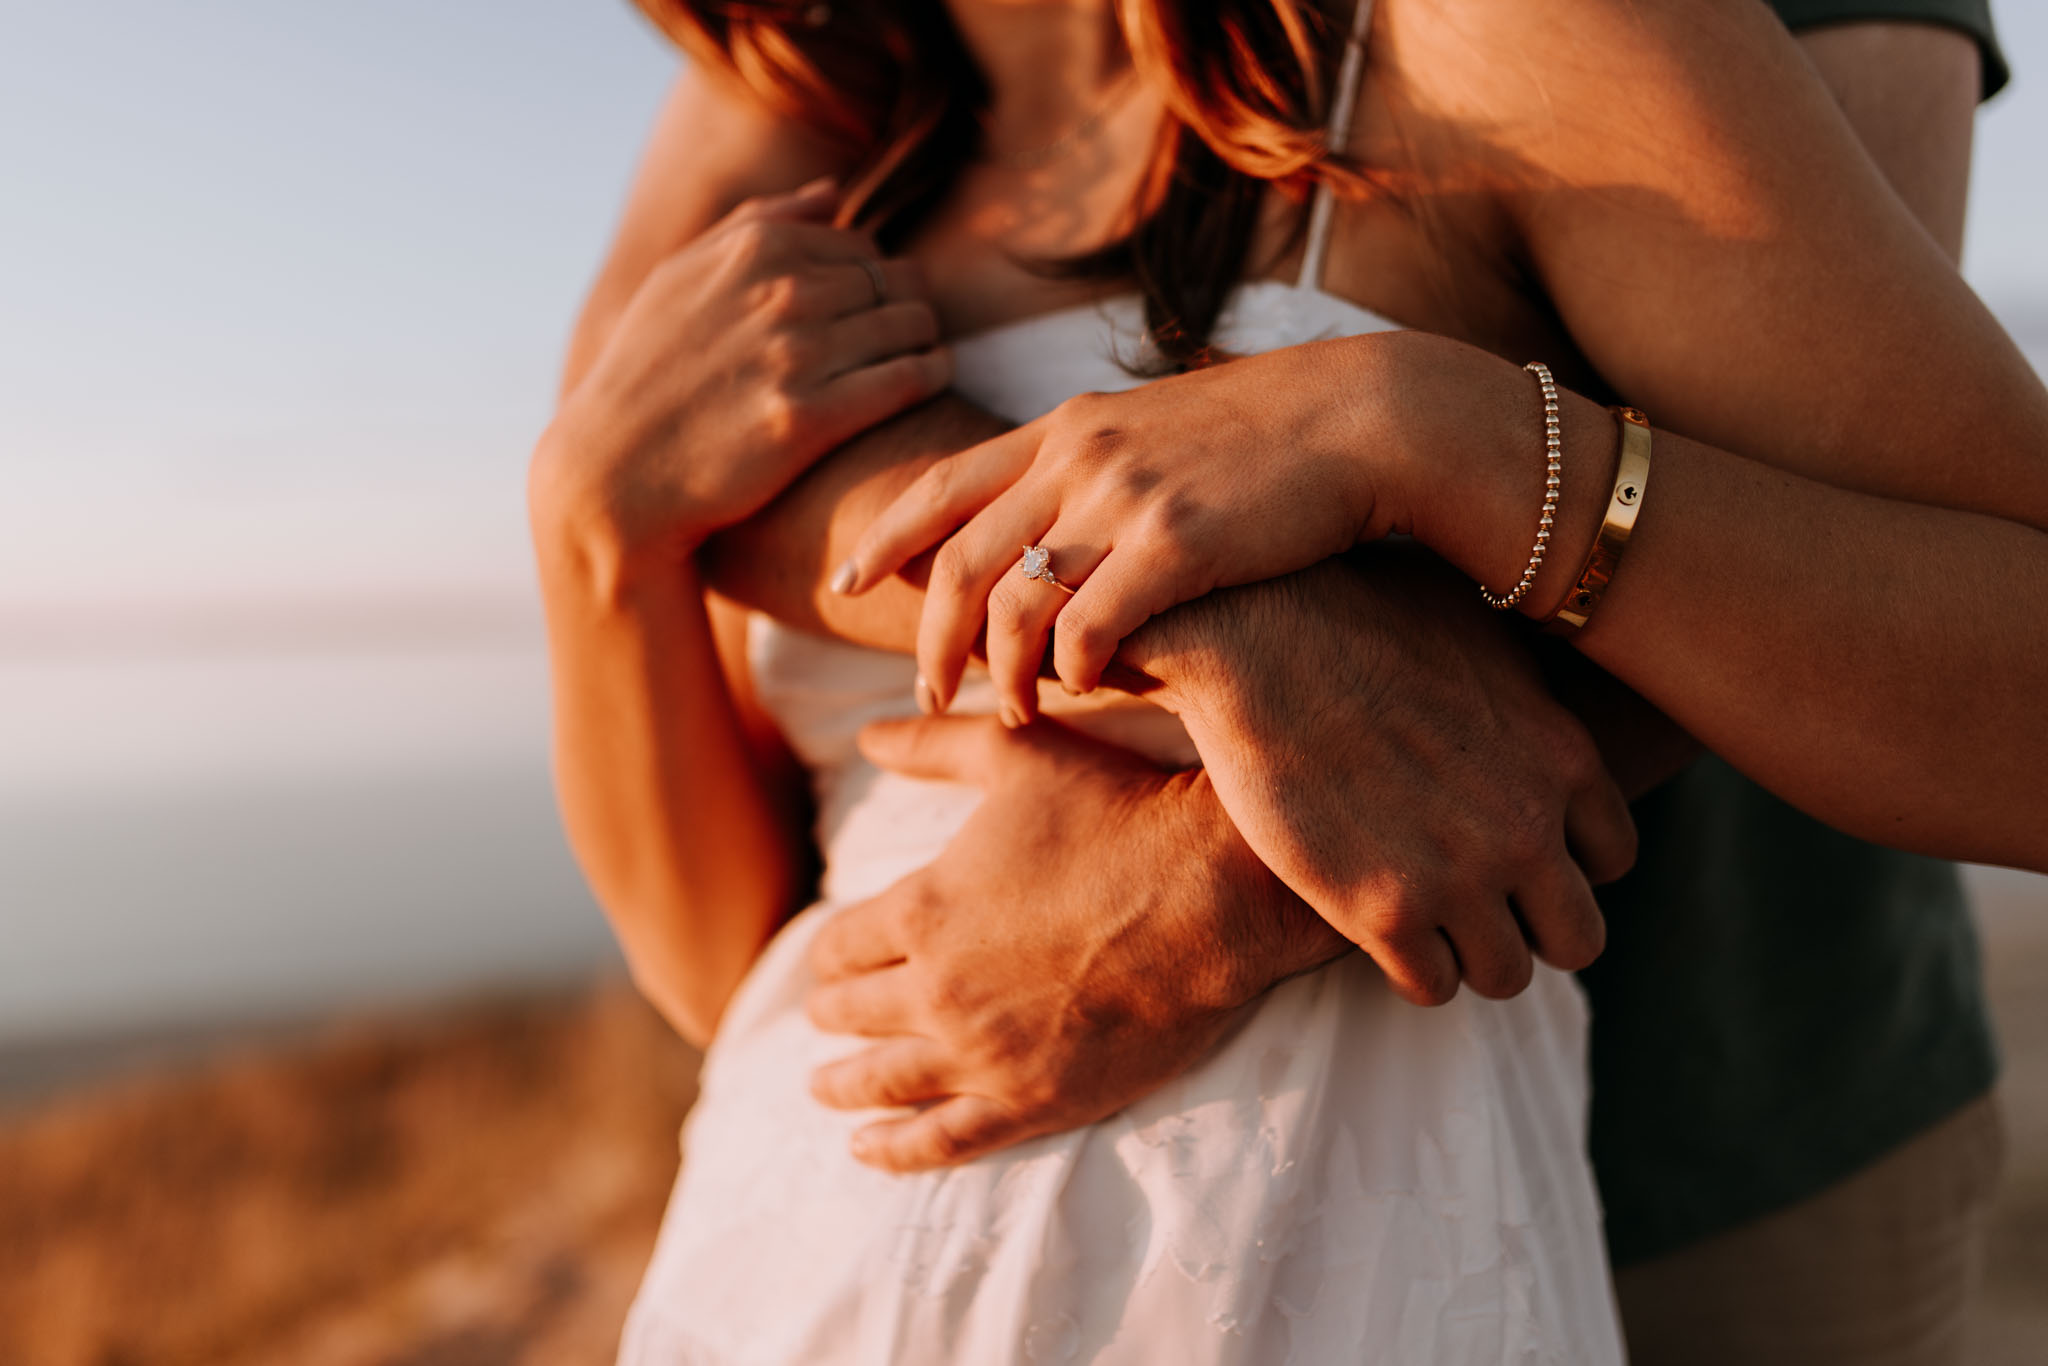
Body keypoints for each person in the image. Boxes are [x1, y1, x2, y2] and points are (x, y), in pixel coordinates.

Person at [528, 1, 2038, 1361]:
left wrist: (1426, 431)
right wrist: (584, 523)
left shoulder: (1491, 40)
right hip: (803, 1274)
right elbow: (746, 972)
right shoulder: (811, 184)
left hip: (1368, 1270)